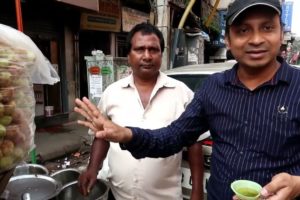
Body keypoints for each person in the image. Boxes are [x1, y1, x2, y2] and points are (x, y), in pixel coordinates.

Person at [74, 0, 300, 199]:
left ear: (281, 34)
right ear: (228, 41)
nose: (256, 39)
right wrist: (127, 135)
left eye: (267, 28)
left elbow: (194, 146)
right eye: (243, 30)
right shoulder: (213, 88)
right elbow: (173, 137)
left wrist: (298, 184)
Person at [76, 22, 204, 200]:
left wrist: (197, 190)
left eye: (153, 49)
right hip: (118, 195)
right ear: (128, 55)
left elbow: (194, 143)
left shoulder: (182, 94)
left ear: (161, 54)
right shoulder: (112, 93)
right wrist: (92, 168)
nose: (147, 56)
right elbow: (101, 136)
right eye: (139, 49)